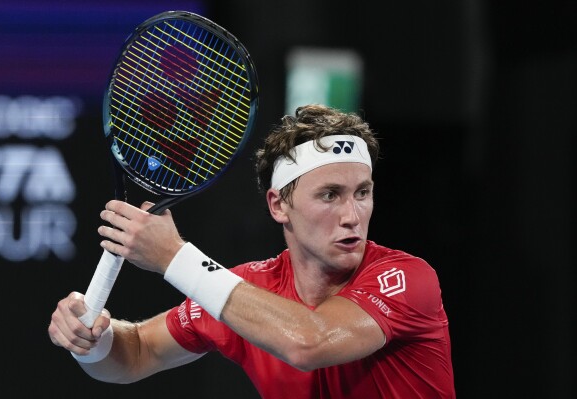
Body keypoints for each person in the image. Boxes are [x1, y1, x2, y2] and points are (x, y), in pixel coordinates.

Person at [49, 104, 456, 398]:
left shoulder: (407, 278)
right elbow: (136, 352)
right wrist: (93, 339)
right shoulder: (244, 289)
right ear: (279, 205)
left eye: (362, 193)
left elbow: (309, 342)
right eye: (330, 195)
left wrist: (174, 256)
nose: (352, 215)